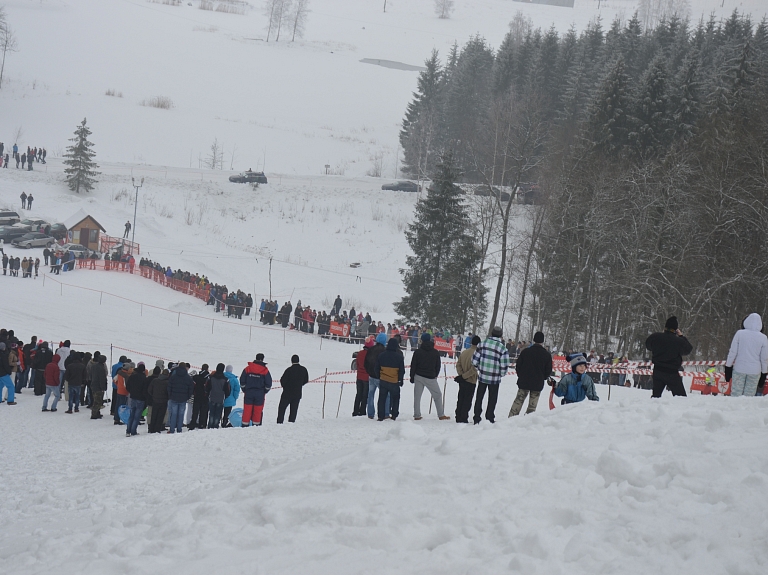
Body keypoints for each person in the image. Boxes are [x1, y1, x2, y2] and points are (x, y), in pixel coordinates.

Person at [645, 316, 693, 398]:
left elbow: (648, 346)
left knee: (656, 396)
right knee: (681, 397)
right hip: (671, 373)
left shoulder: (655, 337)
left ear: (665, 327)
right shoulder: (679, 341)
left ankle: (653, 409)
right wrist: (681, 336)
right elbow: (688, 349)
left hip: (658, 370)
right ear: (676, 329)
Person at [471, 326, 511, 424]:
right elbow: (504, 365)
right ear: (501, 335)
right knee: (492, 399)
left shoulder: (482, 344)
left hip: (482, 376)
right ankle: (489, 417)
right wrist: (501, 374)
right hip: (495, 379)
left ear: (491, 333)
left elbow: (474, 361)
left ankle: (476, 417)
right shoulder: (503, 348)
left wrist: (480, 367)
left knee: (479, 398)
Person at [509, 331, 552, 416]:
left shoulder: (525, 352)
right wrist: (543, 377)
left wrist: (520, 375)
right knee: (532, 406)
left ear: (534, 339)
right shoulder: (546, 355)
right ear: (542, 341)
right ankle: (528, 421)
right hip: (537, 382)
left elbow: (518, 366)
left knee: (518, 401)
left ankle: (511, 418)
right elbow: (548, 370)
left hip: (524, 381)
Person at [724, 313, 768, 397]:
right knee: (749, 397)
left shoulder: (739, 334)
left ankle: (734, 409)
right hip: (755, 371)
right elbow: (764, 359)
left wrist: (728, 367)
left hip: (739, 369)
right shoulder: (763, 338)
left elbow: (732, 352)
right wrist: (764, 374)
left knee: (736, 395)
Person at [410, 333, 450, 421]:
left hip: (419, 376)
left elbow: (413, 365)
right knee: (438, 395)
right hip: (430, 377)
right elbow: (438, 365)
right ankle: (441, 414)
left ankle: (417, 415)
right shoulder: (435, 352)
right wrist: (435, 374)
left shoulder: (418, 351)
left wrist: (412, 376)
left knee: (417, 397)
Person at [374, 338, 405, 421]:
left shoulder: (381, 355)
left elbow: (376, 368)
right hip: (394, 381)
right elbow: (402, 370)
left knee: (382, 398)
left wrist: (379, 376)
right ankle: (394, 415)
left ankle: (380, 415)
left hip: (383, 380)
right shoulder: (399, 357)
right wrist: (400, 380)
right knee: (395, 398)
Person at [240, 353, 272, 427]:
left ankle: (245, 425)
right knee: (257, 411)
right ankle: (256, 426)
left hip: (249, 392)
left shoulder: (248, 368)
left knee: (247, 410)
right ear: (262, 359)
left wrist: (244, 389)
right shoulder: (265, 370)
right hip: (259, 393)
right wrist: (264, 391)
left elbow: (242, 380)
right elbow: (268, 383)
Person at [455, 335, 481, 423]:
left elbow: (458, 364)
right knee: (467, 399)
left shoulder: (464, 352)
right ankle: (463, 417)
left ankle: (458, 415)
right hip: (471, 380)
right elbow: (474, 369)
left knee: (460, 397)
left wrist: (461, 375)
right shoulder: (477, 354)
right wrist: (465, 376)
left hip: (462, 380)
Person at [276, 355, 309, 423]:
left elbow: (282, 380)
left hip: (287, 393)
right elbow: (306, 380)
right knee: (294, 410)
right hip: (297, 393)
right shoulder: (303, 369)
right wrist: (299, 385)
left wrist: (285, 387)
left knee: (282, 409)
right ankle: (291, 423)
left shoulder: (289, 370)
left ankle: (279, 422)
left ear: (291, 361)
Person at [365, 333, 388, 419]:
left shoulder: (371, 349)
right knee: (385, 395)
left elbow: (366, 362)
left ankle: (370, 413)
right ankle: (385, 412)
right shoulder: (385, 351)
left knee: (370, 394)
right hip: (381, 376)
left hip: (371, 375)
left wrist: (369, 371)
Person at [167, 362, 194, 434]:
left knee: (174, 414)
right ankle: (179, 429)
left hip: (174, 397)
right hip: (183, 398)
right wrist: (187, 396)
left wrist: (170, 395)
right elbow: (191, 388)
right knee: (181, 414)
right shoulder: (188, 377)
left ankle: (172, 429)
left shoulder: (174, 376)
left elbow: (169, 386)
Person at [125, 364, 149, 436]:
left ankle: (128, 431)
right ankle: (133, 431)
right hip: (140, 399)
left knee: (131, 415)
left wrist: (132, 392)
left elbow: (127, 386)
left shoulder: (132, 376)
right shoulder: (144, 378)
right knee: (137, 416)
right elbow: (145, 389)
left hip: (133, 397)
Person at [207, 364, 231, 429]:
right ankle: (215, 425)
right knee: (218, 414)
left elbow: (207, 387)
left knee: (211, 413)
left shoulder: (211, 377)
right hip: (220, 398)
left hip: (212, 397)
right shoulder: (225, 379)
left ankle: (210, 425)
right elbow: (228, 390)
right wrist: (226, 396)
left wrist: (207, 393)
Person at [352, 339, 372, 416]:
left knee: (358, 394)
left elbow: (357, 363)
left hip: (359, 376)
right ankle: (362, 411)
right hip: (366, 377)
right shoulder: (370, 355)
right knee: (365, 395)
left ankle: (355, 411)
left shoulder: (360, 353)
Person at [147, 368, 170, 433]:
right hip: (163, 401)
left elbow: (149, 390)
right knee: (160, 416)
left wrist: (154, 395)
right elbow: (169, 392)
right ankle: (157, 429)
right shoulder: (167, 382)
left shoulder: (155, 380)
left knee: (153, 415)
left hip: (155, 400)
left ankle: (151, 428)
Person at [189, 364, 210, 430]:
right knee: (203, 412)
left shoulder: (196, 377)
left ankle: (192, 424)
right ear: (207, 369)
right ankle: (201, 424)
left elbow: (192, 386)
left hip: (197, 396)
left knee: (195, 412)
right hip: (205, 397)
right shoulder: (209, 378)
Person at [90, 355, 108, 419]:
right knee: (98, 401)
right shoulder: (101, 368)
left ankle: (97, 412)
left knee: (96, 400)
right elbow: (102, 379)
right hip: (98, 387)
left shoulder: (94, 366)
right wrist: (103, 387)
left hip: (93, 384)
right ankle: (94, 414)